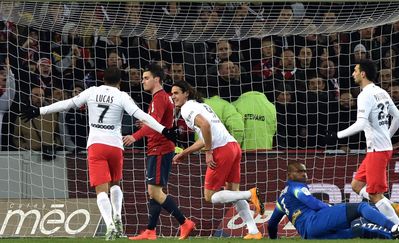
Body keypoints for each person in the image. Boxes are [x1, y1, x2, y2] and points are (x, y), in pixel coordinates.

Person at [20, 67, 176, 240]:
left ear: (103, 79)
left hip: (96, 145)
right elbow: (141, 115)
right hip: (115, 146)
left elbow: (67, 103)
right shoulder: (122, 96)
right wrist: (164, 130)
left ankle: (110, 226)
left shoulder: (92, 92)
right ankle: (117, 217)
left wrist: (39, 110)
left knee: (101, 190)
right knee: (115, 183)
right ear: (120, 81)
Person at [171, 80, 264, 240]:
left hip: (221, 150)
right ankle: (254, 230)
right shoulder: (201, 105)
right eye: (172, 94)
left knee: (210, 196)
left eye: (176, 93)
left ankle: (250, 194)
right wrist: (185, 153)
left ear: (186, 93)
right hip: (233, 146)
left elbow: (206, 126)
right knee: (233, 193)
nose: (173, 96)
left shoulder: (187, 108)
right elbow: (204, 136)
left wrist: (208, 152)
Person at [326, 59, 399, 226]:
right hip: (379, 148)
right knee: (356, 185)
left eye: (355, 70)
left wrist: (337, 136)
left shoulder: (364, 95)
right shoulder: (382, 92)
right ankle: (391, 206)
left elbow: (361, 123)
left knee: (375, 194)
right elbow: (398, 117)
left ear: (363, 73)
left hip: (377, 150)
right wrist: (386, 136)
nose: (353, 73)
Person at [123, 64, 195, 240]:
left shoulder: (160, 98)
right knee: (154, 191)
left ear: (157, 79)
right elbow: (157, 123)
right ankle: (150, 230)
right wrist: (145, 126)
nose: (143, 81)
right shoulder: (159, 98)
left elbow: (154, 123)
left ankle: (184, 222)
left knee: (155, 191)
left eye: (146, 78)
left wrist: (136, 136)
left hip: (160, 149)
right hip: (158, 148)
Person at [267, 162, 399, 240]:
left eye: (305, 171)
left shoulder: (281, 198)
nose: (304, 174)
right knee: (360, 207)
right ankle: (395, 227)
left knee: (360, 230)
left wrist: (273, 239)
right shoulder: (297, 188)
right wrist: (329, 207)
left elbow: (272, 223)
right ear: (288, 174)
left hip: (310, 236)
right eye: (299, 171)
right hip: (314, 223)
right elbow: (313, 204)